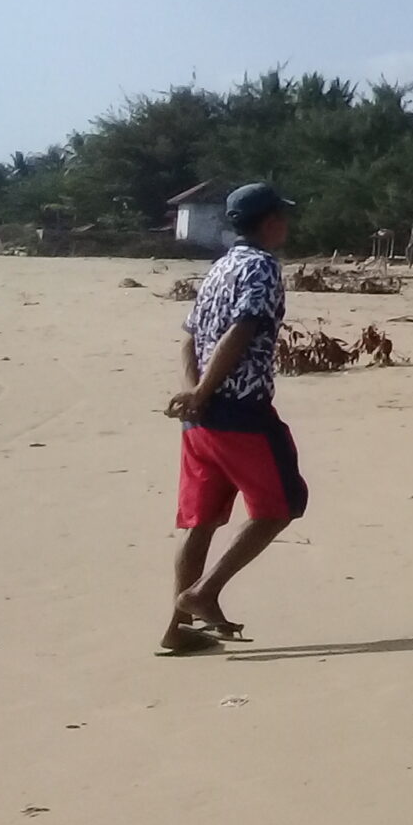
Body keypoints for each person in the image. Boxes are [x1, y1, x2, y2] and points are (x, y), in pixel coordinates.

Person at [162, 182, 308, 655]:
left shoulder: (220, 267)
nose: (287, 224)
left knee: (199, 521)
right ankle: (204, 593)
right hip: (240, 413)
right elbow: (243, 330)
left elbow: (189, 337)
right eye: (282, 217)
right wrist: (204, 390)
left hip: (201, 421)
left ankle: (177, 627)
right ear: (269, 222)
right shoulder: (264, 268)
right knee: (280, 507)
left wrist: (193, 393)